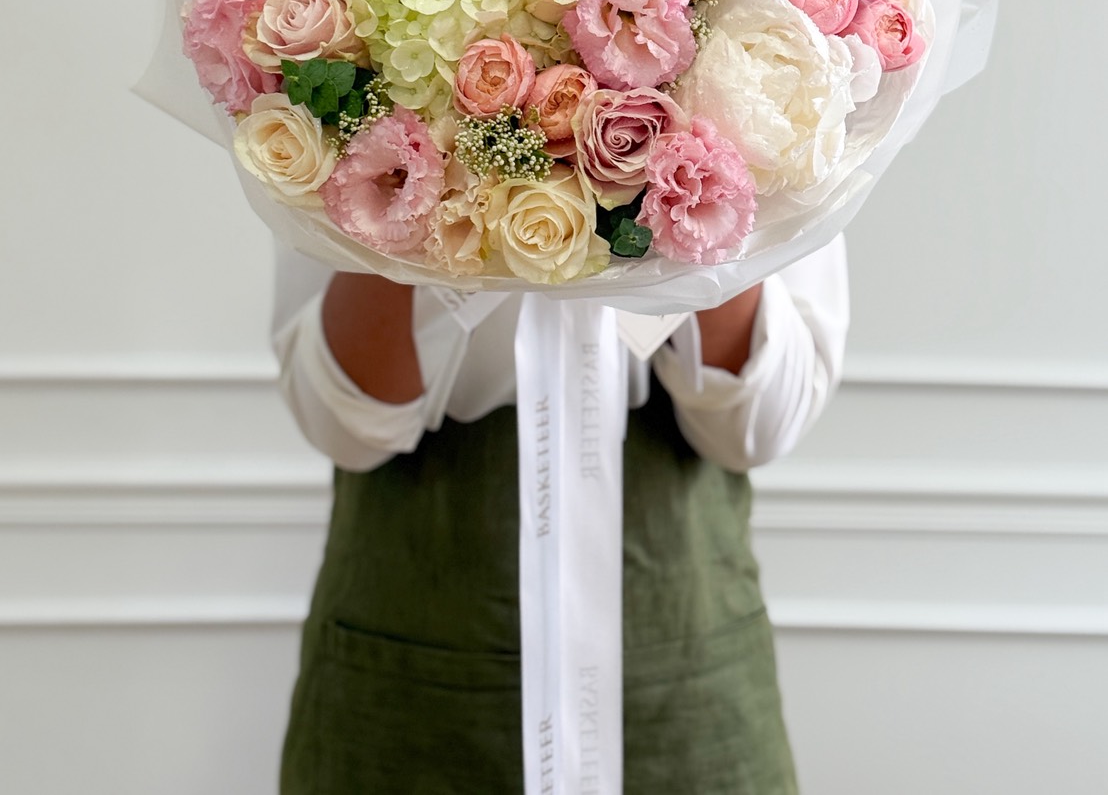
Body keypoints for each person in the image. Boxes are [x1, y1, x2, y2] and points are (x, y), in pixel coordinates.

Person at [274, 235, 849, 794]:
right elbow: (343, 426)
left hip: (686, 668)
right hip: (402, 668)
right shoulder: (328, 141)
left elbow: (760, 425)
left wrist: (697, 187)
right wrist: (413, 189)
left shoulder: (797, 142)